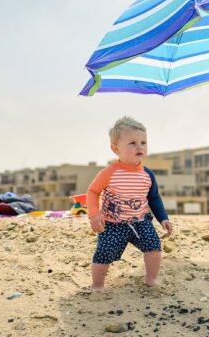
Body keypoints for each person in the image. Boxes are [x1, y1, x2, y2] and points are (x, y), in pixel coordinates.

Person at [87, 116, 173, 291]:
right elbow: (92, 191)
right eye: (132, 143)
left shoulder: (147, 174)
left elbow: (154, 198)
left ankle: (151, 279)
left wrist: (163, 218)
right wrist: (94, 215)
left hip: (141, 221)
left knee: (154, 247)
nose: (140, 146)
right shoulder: (109, 172)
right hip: (112, 224)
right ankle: (97, 285)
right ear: (115, 149)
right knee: (104, 254)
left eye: (143, 142)